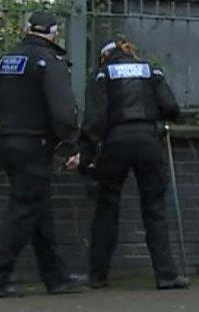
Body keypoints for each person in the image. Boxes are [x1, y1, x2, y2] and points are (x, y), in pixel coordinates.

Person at [68, 37, 188, 290]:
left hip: (115, 144)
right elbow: (171, 107)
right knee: (154, 208)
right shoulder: (150, 70)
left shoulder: (102, 75)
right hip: (148, 142)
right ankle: (166, 275)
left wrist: (86, 157)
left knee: (107, 207)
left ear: (105, 56)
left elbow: (94, 121)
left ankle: (98, 276)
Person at [0, 12, 86, 298]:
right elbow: (63, 109)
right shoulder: (49, 62)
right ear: (53, 34)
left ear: (26, 29)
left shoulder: (9, 60)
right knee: (23, 210)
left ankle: (57, 277)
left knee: (39, 210)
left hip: (9, 142)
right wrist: (70, 143)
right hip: (34, 144)